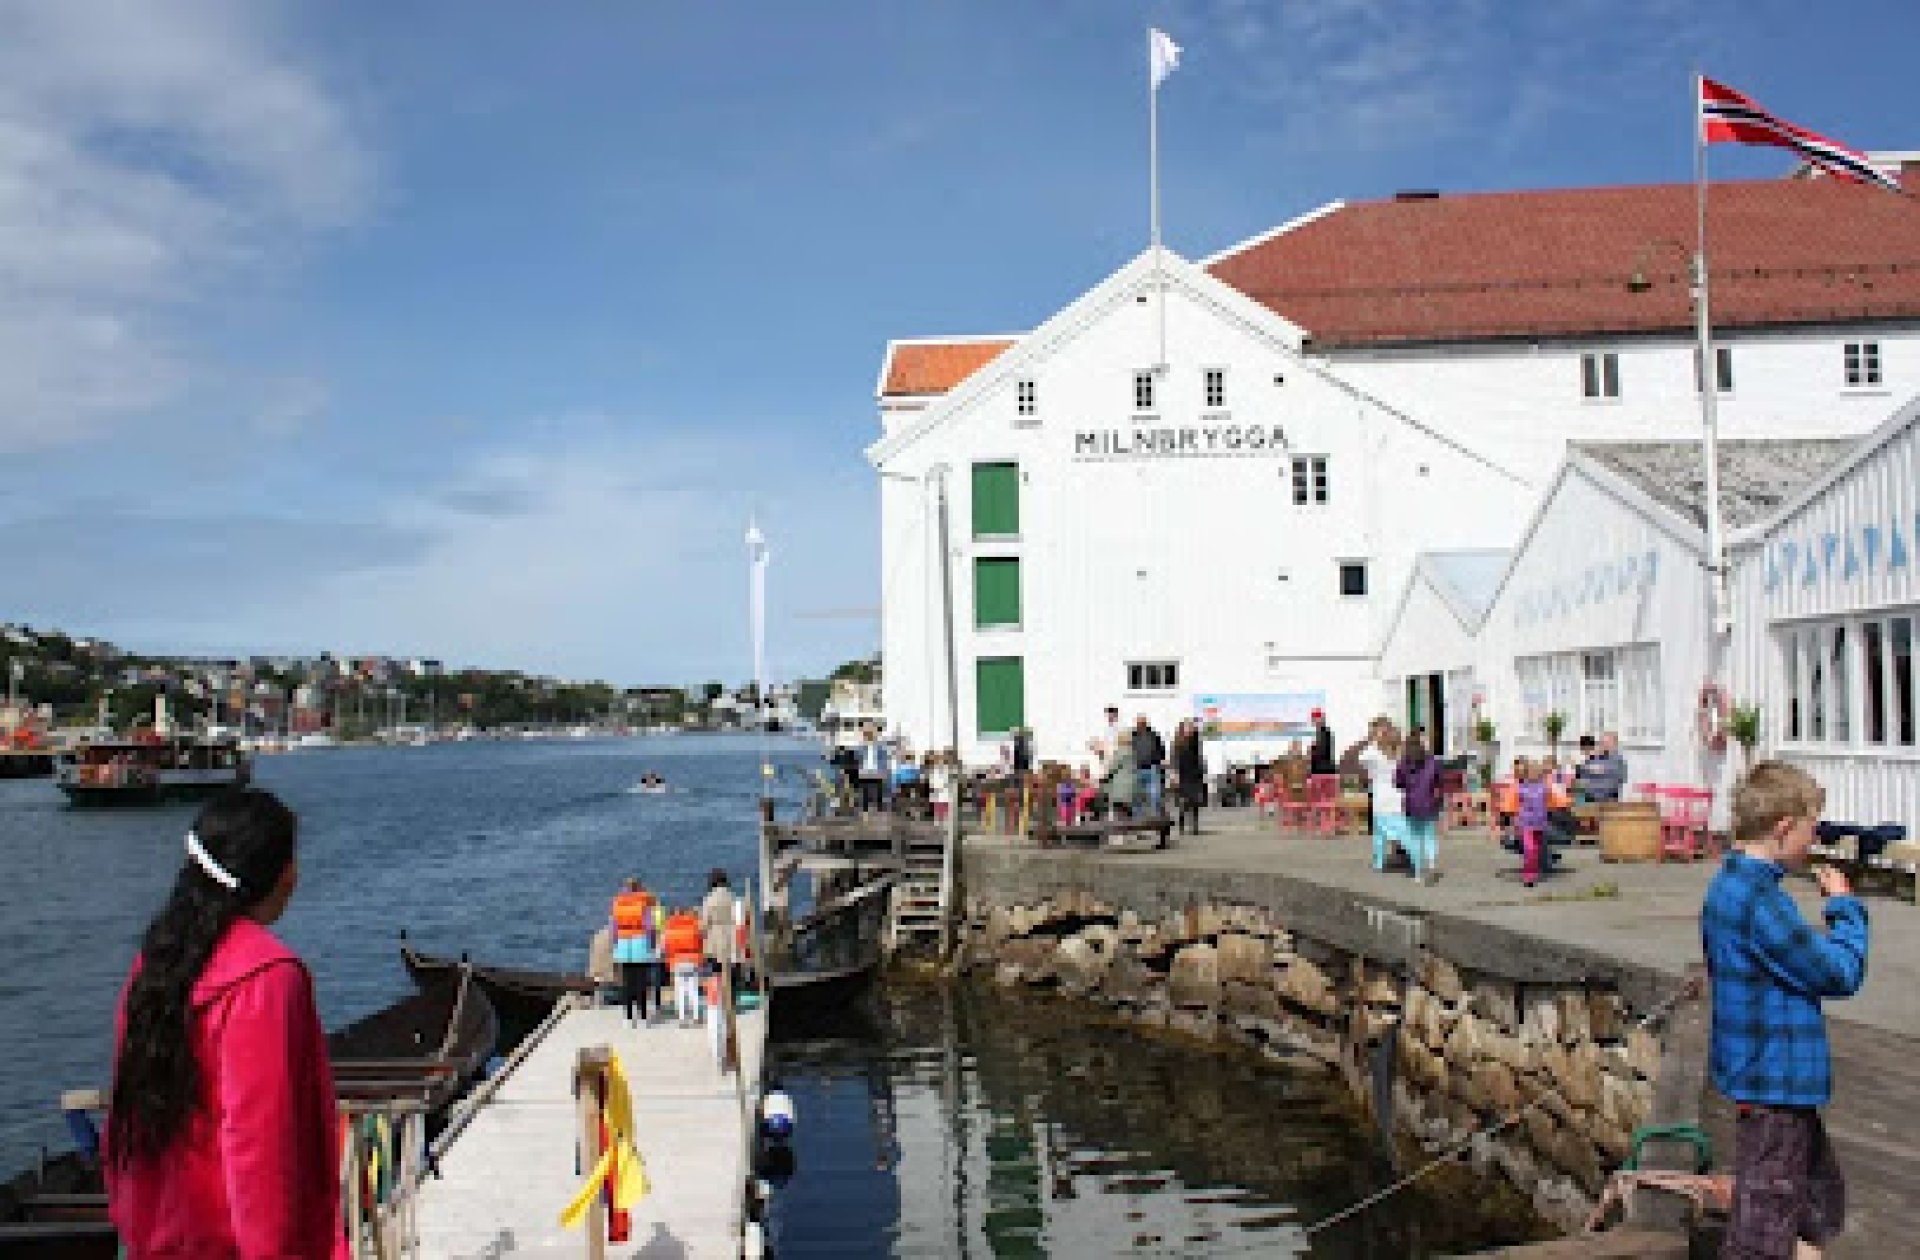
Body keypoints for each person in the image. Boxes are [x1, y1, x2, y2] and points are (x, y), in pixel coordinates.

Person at [106, 789, 347, 1259]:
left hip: (156, 1240)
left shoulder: (154, 966)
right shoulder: (266, 977)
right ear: (282, 875)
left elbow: (124, 1124)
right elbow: (258, 1147)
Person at [1702, 762, 1868, 1259]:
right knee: (1762, 1235)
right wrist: (1845, 909)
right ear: (1783, 827)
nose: (1814, 840)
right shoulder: (1761, 901)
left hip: (1764, 1077)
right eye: (1811, 829)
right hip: (1775, 1084)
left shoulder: (1727, 885)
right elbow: (1838, 973)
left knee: (1817, 1205)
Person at [609, 878, 662, 1026]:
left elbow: (614, 928)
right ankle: (643, 1016)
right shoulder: (643, 904)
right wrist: (652, 944)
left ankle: (627, 1018)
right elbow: (649, 927)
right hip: (640, 943)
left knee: (627, 982)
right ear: (640, 888)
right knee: (641, 982)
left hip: (623, 944)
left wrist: (616, 944)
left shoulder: (618, 904)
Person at [1357, 719, 1407, 873]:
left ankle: (1379, 862)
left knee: (1381, 831)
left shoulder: (1374, 752)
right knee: (1400, 827)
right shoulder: (1399, 752)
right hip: (1398, 793)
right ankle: (1403, 856)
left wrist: (1374, 741)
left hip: (1382, 795)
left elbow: (1362, 759)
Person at [1396, 729, 1444, 884]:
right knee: (1429, 836)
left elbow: (1399, 784)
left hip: (1412, 804)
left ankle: (1417, 872)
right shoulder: (1433, 761)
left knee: (1415, 838)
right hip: (1429, 803)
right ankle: (1431, 866)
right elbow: (1439, 781)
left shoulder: (1404, 763)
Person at [662, 907, 705, 1025]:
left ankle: (682, 1018)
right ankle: (696, 1016)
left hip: (677, 961)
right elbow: (700, 943)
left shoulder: (669, 928)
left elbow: (665, 946)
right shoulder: (694, 926)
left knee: (680, 990)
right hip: (692, 960)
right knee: (693, 989)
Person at [1514, 761, 1552, 887]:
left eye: (1537, 771)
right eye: (1531, 771)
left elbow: (1552, 801)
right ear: (1526, 773)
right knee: (1530, 849)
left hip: (1540, 824)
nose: (1534, 774)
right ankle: (1528, 876)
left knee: (1537, 850)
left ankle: (1535, 871)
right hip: (1526, 824)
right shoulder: (1520, 788)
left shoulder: (1545, 787)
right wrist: (1514, 821)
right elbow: (1514, 805)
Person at [701, 868, 738, 984]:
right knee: (731, 972)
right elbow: (739, 918)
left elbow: (705, 923)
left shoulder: (709, 899)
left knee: (716, 972)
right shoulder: (733, 898)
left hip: (715, 938)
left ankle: (719, 992)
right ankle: (730, 991)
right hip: (732, 936)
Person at [1171, 718, 1206, 835]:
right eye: (1187, 727)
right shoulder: (1177, 743)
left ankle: (1195, 826)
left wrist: (1195, 727)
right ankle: (1181, 826)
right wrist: (1175, 774)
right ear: (1182, 729)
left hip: (1195, 774)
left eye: (1190, 728)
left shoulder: (1194, 741)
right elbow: (1174, 759)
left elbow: (1198, 755)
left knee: (1195, 802)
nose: (1189, 730)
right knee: (1183, 803)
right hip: (1183, 775)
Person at [1575, 731, 1629, 803]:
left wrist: (1597, 770)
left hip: (1608, 798)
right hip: (1590, 797)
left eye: (1607, 742)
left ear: (1614, 743)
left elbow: (1618, 778)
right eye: (1603, 742)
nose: (1604, 744)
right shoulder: (1595, 757)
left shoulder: (1618, 760)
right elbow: (1583, 773)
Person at [1132, 715, 1166, 815]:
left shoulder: (1153, 735)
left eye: (1142, 723)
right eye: (1139, 723)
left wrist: (1158, 760)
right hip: (1138, 768)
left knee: (1154, 793)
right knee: (1138, 793)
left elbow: (1161, 749)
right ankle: (1138, 814)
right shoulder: (1133, 736)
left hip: (1152, 767)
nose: (1140, 725)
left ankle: (1156, 813)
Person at [1103, 729, 1137, 819]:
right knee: (1127, 807)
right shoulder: (1133, 752)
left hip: (1119, 784)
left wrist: (1105, 777)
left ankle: (1120, 823)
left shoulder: (1119, 752)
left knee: (1118, 806)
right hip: (1131, 783)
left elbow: (1112, 767)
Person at [855, 726, 890, 812]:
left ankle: (879, 809)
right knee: (865, 792)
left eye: (869, 734)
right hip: (865, 772)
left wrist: (884, 771)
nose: (867, 736)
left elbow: (884, 759)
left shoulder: (880, 746)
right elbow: (858, 759)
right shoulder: (861, 747)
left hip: (877, 772)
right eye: (866, 734)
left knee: (878, 792)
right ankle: (865, 810)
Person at [1308, 709, 1336, 777]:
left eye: (1315, 719)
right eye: (1313, 720)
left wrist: (1313, 749)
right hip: (1321, 769)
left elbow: (1322, 753)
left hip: (1322, 770)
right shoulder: (1321, 733)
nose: (1314, 722)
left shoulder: (1324, 733)